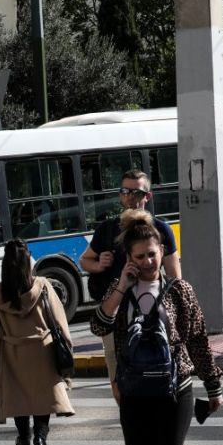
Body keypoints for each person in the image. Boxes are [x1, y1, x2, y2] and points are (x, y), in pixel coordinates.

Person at [89, 211, 223, 445]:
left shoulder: (180, 291)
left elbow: (198, 340)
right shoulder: (121, 293)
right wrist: (121, 286)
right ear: (129, 259)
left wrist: (213, 386)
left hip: (175, 390)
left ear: (162, 251)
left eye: (152, 254)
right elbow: (98, 325)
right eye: (140, 256)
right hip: (134, 392)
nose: (148, 261)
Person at [0, 239, 75, 445]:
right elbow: (58, 320)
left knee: (19, 398)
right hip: (43, 352)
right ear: (28, 262)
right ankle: (40, 440)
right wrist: (67, 347)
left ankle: (24, 437)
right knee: (43, 400)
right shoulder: (43, 286)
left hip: (12, 353)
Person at [79, 170, 180, 401]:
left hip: (153, 312)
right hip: (115, 315)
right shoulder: (107, 229)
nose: (130, 197)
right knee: (119, 375)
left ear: (148, 196)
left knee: (159, 366)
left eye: (137, 192)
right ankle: (128, 412)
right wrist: (99, 264)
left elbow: (175, 278)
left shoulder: (161, 230)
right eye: (125, 191)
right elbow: (85, 261)